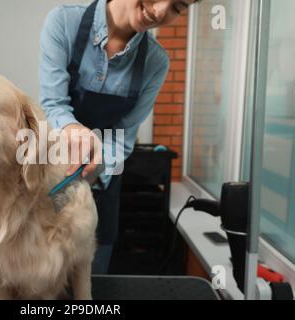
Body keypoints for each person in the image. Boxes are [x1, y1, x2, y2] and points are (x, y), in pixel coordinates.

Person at [39, 0, 198, 274]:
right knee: (44, 275)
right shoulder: (64, 23)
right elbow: (54, 104)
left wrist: (96, 168)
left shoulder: (155, 62)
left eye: (178, 7)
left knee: (92, 279)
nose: (161, 11)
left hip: (104, 181)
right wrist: (74, 133)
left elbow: (122, 138)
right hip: (54, 168)